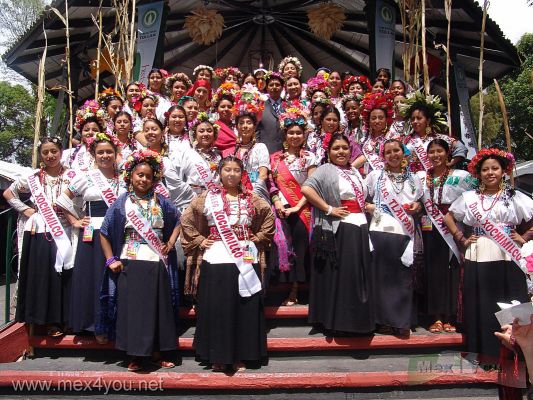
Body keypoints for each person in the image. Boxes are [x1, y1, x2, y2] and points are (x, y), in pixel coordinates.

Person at [181, 156, 275, 372]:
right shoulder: (206, 198)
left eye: (236, 170)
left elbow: (269, 217)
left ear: (242, 173)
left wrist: (258, 238)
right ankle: (218, 354)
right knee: (217, 307)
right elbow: (186, 220)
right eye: (227, 170)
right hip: (216, 256)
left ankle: (242, 353)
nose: (231, 174)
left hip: (243, 254)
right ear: (220, 173)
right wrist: (199, 240)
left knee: (244, 307)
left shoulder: (251, 198)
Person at [444, 148, 532, 358]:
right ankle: (484, 352)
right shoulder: (469, 197)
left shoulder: (514, 196)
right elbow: (448, 217)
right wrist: (461, 238)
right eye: (485, 169)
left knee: (510, 301)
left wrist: (525, 236)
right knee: (481, 302)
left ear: (503, 171)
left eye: (495, 168)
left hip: (507, 254)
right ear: (478, 173)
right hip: (479, 251)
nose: (490, 172)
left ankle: (515, 353)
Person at [99, 149, 180, 371]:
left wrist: (171, 243)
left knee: (158, 308)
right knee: (133, 309)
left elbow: (179, 221)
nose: (143, 179)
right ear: (130, 177)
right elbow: (104, 233)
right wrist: (110, 260)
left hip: (156, 261)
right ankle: (134, 355)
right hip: (129, 262)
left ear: (154, 179)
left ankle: (158, 352)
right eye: (139, 175)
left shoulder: (162, 202)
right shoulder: (121, 203)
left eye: (148, 176)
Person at [56, 132, 126, 342]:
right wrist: (75, 221)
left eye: (109, 152)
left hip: (119, 233)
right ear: (93, 154)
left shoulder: (125, 178)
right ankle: (97, 326)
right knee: (96, 279)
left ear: (116, 154)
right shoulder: (85, 177)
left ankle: (118, 323)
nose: (105, 156)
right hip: (94, 234)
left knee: (119, 279)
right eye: (100, 152)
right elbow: (61, 200)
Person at [302, 133, 374, 335]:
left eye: (344, 148)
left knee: (358, 274)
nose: (341, 152)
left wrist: (366, 206)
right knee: (346, 276)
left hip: (360, 224)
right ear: (328, 152)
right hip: (343, 226)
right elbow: (306, 189)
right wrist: (328, 209)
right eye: (336, 148)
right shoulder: (326, 169)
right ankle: (341, 323)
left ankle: (357, 321)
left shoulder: (354, 171)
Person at [6, 137, 76, 337]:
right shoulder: (33, 177)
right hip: (41, 231)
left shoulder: (72, 175)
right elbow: (9, 193)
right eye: (45, 152)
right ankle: (45, 321)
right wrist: (26, 210)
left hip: (65, 230)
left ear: (61, 152)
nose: (50, 156)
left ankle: (65, 319)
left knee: (65, 274)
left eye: (53, 151)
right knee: (44, 276)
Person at [416, 139, 476, 334]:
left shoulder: (461, 176)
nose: (435, 155)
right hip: (429, 227)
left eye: (439, 151)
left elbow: (473, 199)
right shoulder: (421, 177)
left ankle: (451, 315)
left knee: (452, 271)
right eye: (431, 152)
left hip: (452, 226)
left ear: (448, 153)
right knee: (433, 271)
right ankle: (436, 316)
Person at [365, 139, 423, 335]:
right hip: (380, 230)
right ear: (383, 155)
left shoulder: (414, 179)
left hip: (404, 232)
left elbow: (420, 203)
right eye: (388, 152)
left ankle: (400, 321)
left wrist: (418, 207)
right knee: (381, 277)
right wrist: (369, 207)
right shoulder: (374, 176)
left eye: (396, 150)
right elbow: (364, 200)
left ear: (403, 152)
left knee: (402, 277)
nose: (392, 155)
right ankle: (381, 320)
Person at [270, 109, 317, 306]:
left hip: (302, 208)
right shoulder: (275, 158)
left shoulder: (310, 157)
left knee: (299, 248)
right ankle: (283, 284)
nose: (295, 136)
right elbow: (270, 184)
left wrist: (296, 207)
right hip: (281, 208)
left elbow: (312, 185)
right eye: (291, 133)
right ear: (285, 135)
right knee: (283, 246)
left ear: (304, 135)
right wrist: (278, 202)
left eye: (299, 133)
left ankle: (295, 288)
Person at [400, 91, 467, 173]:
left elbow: (461, 148)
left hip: (436, 180)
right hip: (414, 181)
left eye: (419, 118)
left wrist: (450, 164)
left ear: (428, 120)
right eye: (413, 119)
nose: (415, 121)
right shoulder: (406, 140)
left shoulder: (439, 138)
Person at [353, 93, 394, 175]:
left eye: (381, 118)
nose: (377, 121)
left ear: (386, 120)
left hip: (386, 179)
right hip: (364, 178)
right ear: (369, 120)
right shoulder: (362, 137)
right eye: (373, 118)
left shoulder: (393, 137)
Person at [62, 100, 105, 171]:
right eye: (86, 130)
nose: (90, 132)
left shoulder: (105, 153)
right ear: (81, 133)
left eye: (95, 130)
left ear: (101, 132)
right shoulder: (69, 154)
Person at [257, 72, 285, 154]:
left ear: (282, 87)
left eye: (277, 84)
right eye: (271, 85)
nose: (274, 87)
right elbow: (257, 131)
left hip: (285, 151)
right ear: (267, 88)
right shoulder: (260, 107)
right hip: (266, 152)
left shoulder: (289, 106)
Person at [212, 82, 239, 152]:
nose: (226, 109)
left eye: (229, 107)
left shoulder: (238, 126)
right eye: (222, 107)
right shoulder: (213, 127)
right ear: (217, 109)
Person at [342, 94, 364, 165]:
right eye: (347, 109)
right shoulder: (344, 131)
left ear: (360, 109)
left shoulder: (367, 128)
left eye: (354, 108)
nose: (350, 111)